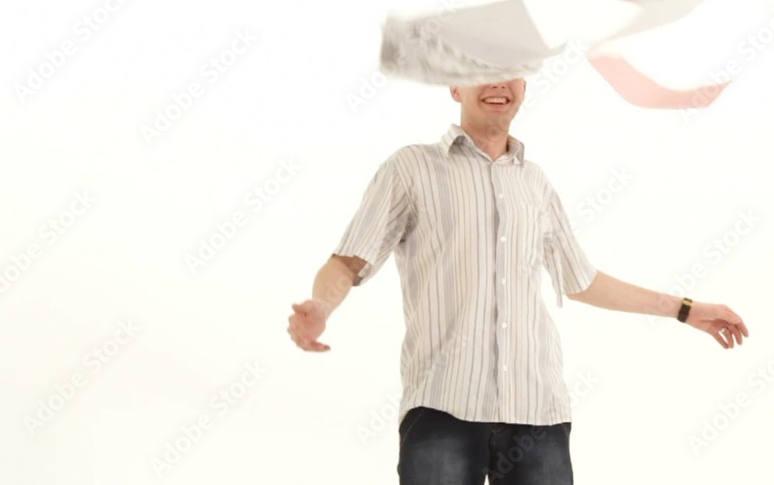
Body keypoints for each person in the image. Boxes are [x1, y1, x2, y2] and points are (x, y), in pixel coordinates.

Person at [288, 78, 750, 485]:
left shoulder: (535, 182)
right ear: (455, 86)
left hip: (537, 413)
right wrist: (322, 306)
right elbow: (348, 262)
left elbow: (581, 280)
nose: (498, 83)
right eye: (482, 70)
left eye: (510, 71)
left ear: (524, 87)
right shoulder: (412, 168)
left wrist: (684, 309)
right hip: (443, 407)